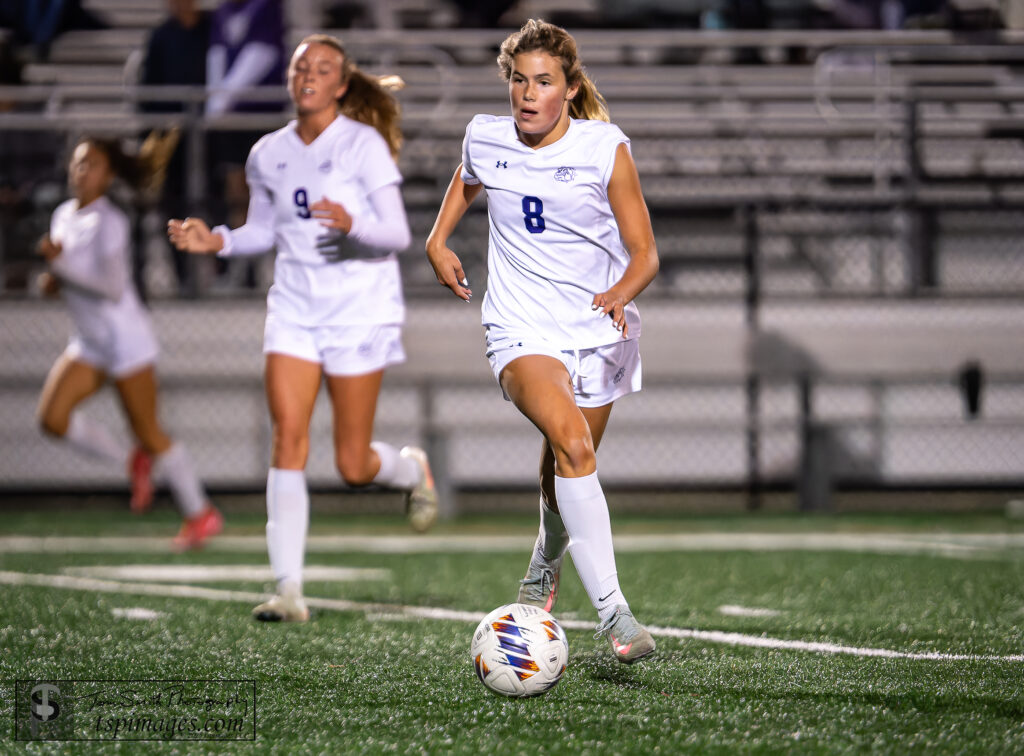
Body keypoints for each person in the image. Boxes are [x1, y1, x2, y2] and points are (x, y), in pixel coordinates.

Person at [168, 34, 438, 623]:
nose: (309, 76)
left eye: (323, 69)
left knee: (351, 464)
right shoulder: (267, 151)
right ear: (290, 80)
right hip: (293, 308)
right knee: (288, 436)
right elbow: (263, 230)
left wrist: (353, 224)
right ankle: (288, 590)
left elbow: (395, 235)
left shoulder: (363, 144)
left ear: (341, 85)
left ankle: (409, 468)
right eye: (300, 67)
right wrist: (217, 240)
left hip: (359, 308)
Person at [425, 19, 659, 664]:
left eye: (545, 82)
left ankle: (543, 563)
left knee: (566, 464)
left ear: (570, 87)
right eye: (520, 81)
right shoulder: (487, 135)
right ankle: (616, 613)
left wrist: (618, 292)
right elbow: (469, 175)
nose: (529, 95)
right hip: (519, 327)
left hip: (597, 328)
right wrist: (437, 239)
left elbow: (645, 254)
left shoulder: (603, 147)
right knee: (573, 443)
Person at [35, 136, 223, 551]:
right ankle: (129, 461)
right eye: (78, 163)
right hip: (90, 342)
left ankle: (201, 513)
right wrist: (52, 280)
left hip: (125, 341)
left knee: (150, 431)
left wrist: (60, 266)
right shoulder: (64, 214)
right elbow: (69, 277)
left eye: (93, 164)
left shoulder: (110, 221)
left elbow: (113, 287)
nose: (82, 171)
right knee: (51, 418)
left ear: (110, 174)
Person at [138, 0, 212, 297]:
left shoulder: (211, 30)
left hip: (209, 136)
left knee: (213, 200)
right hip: (171, 138)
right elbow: (148, 89)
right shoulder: (160, 36)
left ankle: (218, 272)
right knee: (174, 205)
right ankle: (183, 274)